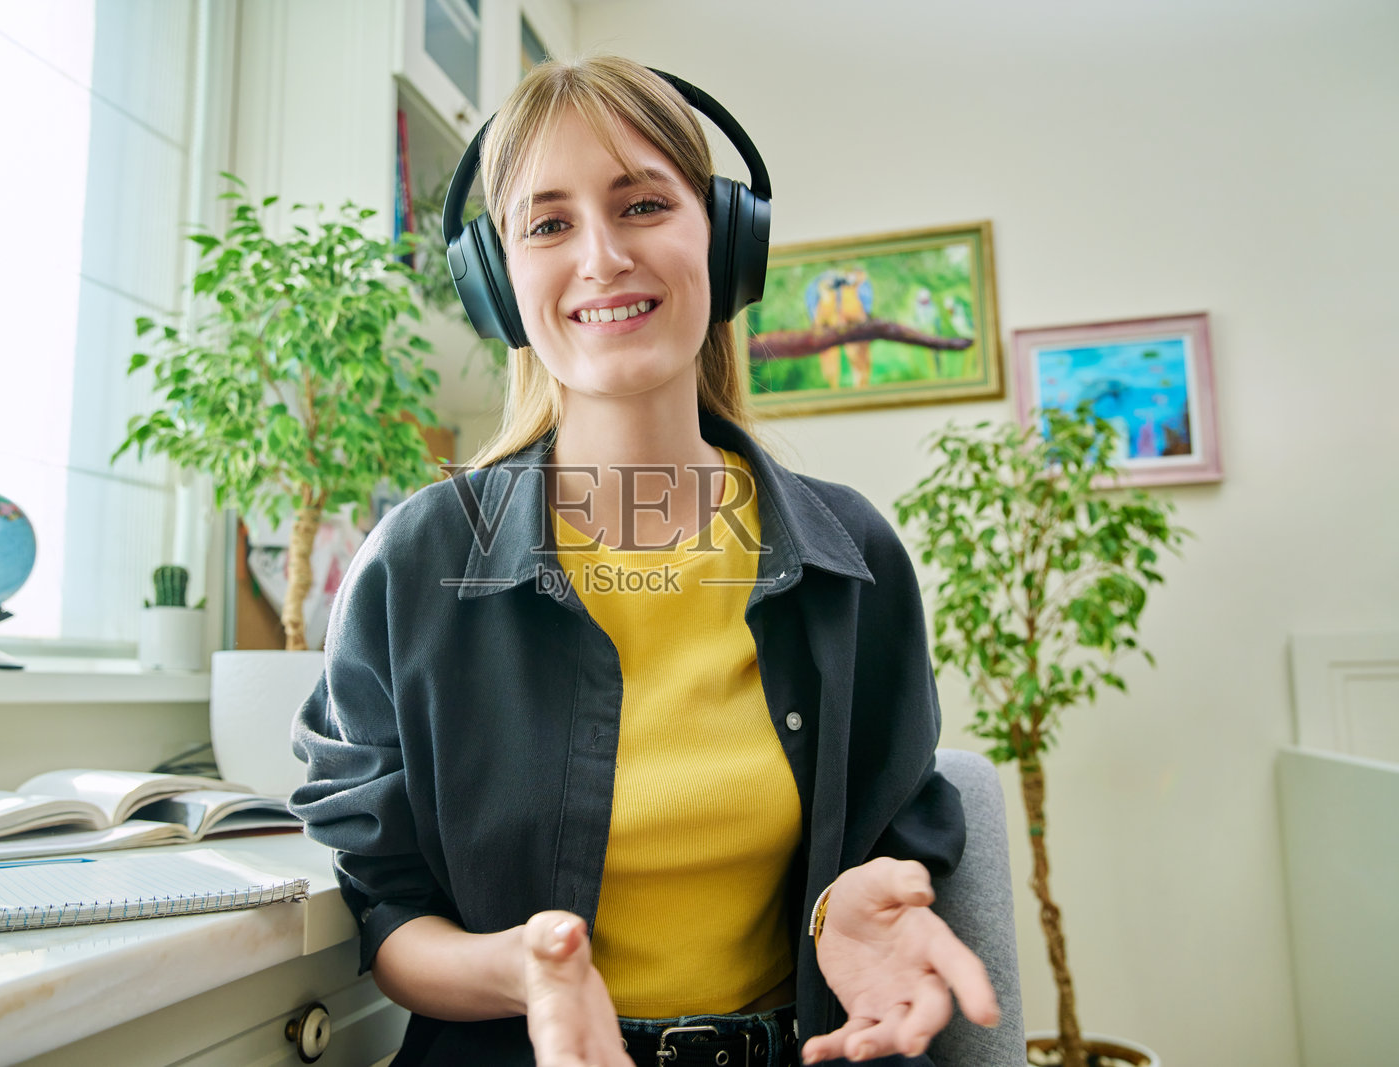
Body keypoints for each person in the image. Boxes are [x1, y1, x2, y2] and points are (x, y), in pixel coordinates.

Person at [291, 55, 1000, 1067]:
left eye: (641, 204)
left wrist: (849, 903)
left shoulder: (853, 557)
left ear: (725, 238)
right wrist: (524, 967)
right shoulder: (418, 561)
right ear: (497, 281)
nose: (601, 256)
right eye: (547, 224)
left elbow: (892, 828)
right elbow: (387, 907)